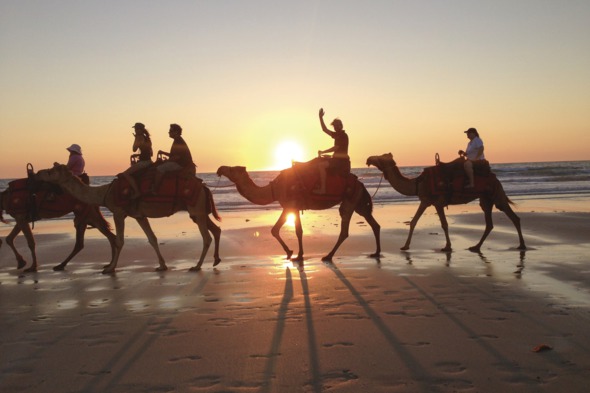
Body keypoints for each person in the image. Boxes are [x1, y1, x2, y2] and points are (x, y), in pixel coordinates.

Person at [314, 108, 350, 194]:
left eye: (338, 124)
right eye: (335, 125)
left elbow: (335, 148)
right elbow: (325, 130)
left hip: (340, 161)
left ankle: (323, 189)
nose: (337, 126)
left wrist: (323, 152)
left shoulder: (343, 135)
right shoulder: (337, 134)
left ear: (341, 125)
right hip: (336, 159)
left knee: (321, 166)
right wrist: (320, 118)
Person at [152, 123, 195, 194]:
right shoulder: (178, 140)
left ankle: (155, 189)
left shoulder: (178, 141)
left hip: (181, 164)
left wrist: (166, 161)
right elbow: (174, 155)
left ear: (176, 132)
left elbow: (176, 157)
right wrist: (163, 153)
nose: (169, 132)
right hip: (180, 163)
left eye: (170, 131)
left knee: (159, 168)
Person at [121, 122, 153, 198]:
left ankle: (137, 192)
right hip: (149, 161)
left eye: (136, 129)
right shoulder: (147, 138)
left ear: (139, 130)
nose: (135, 130)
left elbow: (134, 149)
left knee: (126, 174)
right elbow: (150, 153)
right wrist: (138, 155)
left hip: (144, 162)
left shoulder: (139, 137)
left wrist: (135, 138)